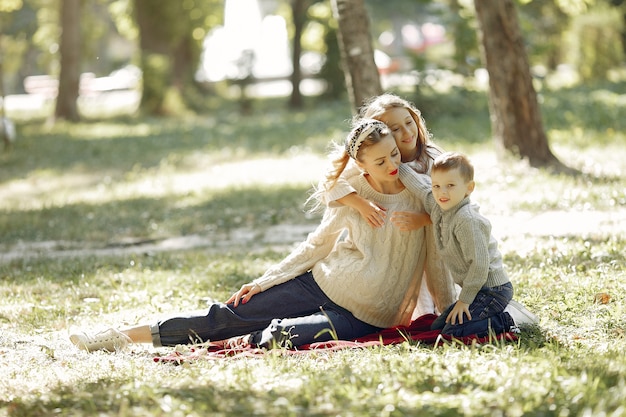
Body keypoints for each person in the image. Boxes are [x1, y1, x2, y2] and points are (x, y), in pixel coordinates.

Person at [70, 119, 444, 353]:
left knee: (278, 336)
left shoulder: (422, 196)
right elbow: (318, 244)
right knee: (229, 314)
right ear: (361, 166)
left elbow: (445, 244)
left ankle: (244, 337)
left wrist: (449, 306)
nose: (393, 165)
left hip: (366, 315)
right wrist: (265, 281)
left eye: (395, 155)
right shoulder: (352, 193)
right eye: (380, 161)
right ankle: (119, 336)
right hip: (321, 282)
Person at [321, 93, 456, 315]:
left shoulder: (433, 159)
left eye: (408, 122)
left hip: (435, 239)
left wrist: (423, 218)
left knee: (437, 275)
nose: (406, 132)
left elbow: (454, 206)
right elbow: (331, 182)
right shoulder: (377, 158)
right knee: (416, 308)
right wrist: (359, 202)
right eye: (395, 129)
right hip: (395, 250)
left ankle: (445, 307)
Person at [401, 151, 520, 337]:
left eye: (450, 185)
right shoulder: (438, 206)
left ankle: (506, 320)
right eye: (437, 186)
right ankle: (479, 318)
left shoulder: (467, 220)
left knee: (455, 332)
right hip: (475, 289)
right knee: (438, 327)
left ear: (469, 188)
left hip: (492, 290)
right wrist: (393, 165)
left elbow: (480, 266)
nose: (442, 192)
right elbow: (419, 186)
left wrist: (463, 301)